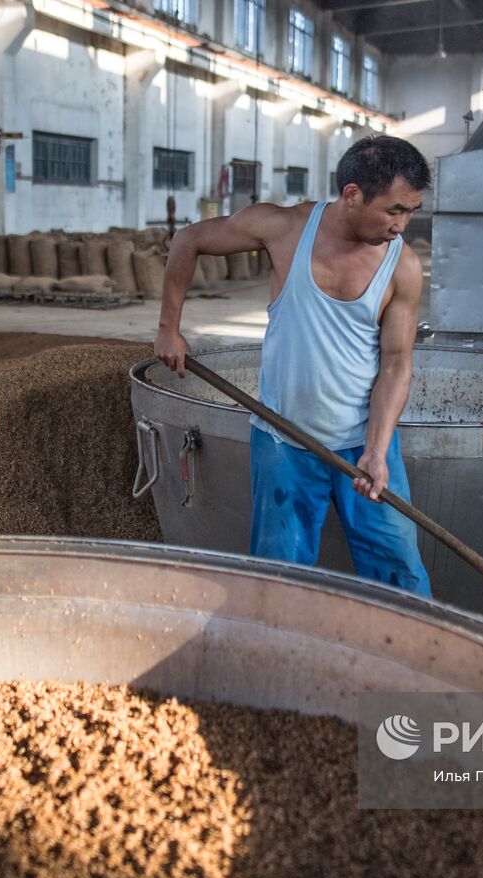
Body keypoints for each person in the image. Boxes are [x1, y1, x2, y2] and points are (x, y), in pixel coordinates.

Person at [155, 136, 432, 595]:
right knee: (279, 574)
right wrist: (169, 327)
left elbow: (397, 363)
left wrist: (377, 451)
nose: (401, 225)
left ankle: (402, 657)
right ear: (352, 194)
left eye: (410, 212)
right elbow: (189, 240)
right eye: (394, 210)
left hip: (364, 443)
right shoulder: (284, 229)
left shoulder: (401, 267)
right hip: (284, 441)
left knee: (399, 569)